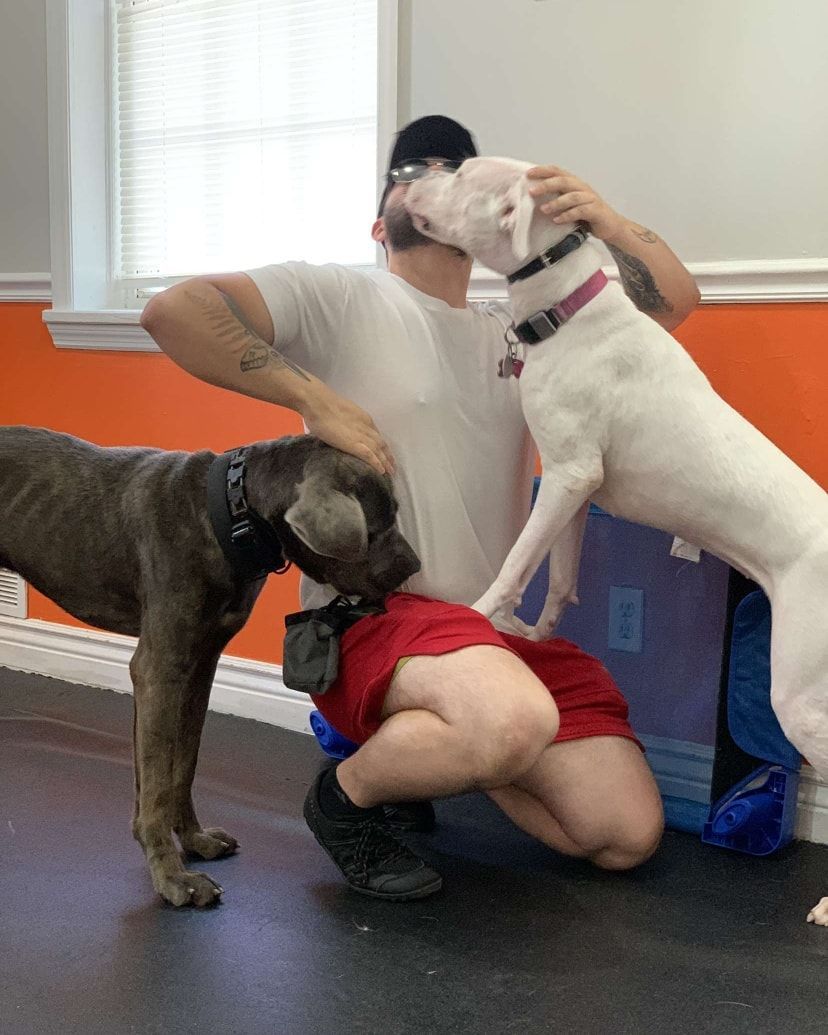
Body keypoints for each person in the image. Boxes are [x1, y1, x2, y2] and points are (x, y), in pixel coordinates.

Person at [141, 115, 701, 901]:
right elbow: (173, 312)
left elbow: (674, 302)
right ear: (381, 221)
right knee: (509, 717)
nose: (436, 170)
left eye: (454, 166)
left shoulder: (525, 327)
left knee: (623, 833)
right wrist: (315, 401)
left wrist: (604, 220)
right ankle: (347, 799)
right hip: (377, 616)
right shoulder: (339, 292)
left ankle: (452, 745)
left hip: (491, 634)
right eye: (412, 168)